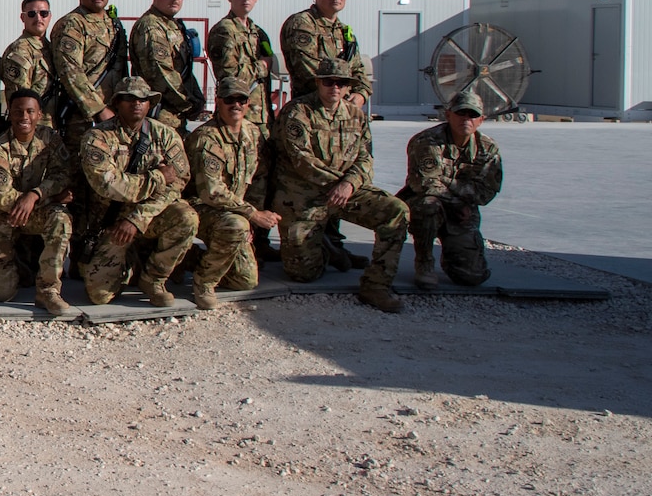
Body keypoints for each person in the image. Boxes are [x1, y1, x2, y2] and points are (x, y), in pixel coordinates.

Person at [273, 58, 410, 312]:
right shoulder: (298, 112)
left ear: (348, 87)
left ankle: (376, 285)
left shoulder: (356, 115)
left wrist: (348, 184)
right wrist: (339, 183)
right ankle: (326, 250)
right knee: (302, 272)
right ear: (318, 83)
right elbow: (302, 161)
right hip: (305, 195)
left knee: (395, 211)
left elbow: (365, 158)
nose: (334, 87)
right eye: (328, 81)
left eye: (341, 83)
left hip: (345, 191)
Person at [79, 77, 197, 307]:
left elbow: (179, 182)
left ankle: (153, 279)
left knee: (186, 217)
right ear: (117, 103)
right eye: (129, 99)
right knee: (99, 296)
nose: (137, 104)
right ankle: (131, 261)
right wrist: (159, 177)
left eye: (143, 99)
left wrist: (138, 218)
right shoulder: (97, 138)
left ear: (150, 104)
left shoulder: (166, 136)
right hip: (111, 223)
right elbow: (110, 186)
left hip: (147, 217)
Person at [0, 89, 75, 315]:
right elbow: (1, 198)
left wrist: (37, 195)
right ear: (9, 113)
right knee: (1, 294)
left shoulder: (50, 138)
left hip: (34, 210)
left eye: (30, 111)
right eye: (18, 111)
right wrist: (50, 197)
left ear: (40, 114)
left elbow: (63, 174)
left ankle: (48, 291)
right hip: (2, 218)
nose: (24, 117)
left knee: (61, 219)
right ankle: (21, 265)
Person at [185, 79, 279, 309]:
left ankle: (190, 259)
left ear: (248, 104)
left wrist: (251, 220)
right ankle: (204, 282)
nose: (235, 105)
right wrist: (251, 216)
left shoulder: (254, 134)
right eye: (229, 100)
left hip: (234, 211)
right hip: (198, 207)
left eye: (241, 100)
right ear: (218, 102)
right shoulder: (207, 137)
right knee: (236, 226)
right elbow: (211, 192)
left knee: (245, 280)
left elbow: (259, 181)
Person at [401, 88, 503, 288]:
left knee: (472, 277)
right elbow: (425, 184)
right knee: (428, 205)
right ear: (448, 115)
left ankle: (452, 256)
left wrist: (447, 181)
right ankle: (424, 262)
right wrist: (459, 200)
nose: (466, 118)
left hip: (463, 214)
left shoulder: (488, 150)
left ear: (481, 120)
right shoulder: (427, 141)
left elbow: (485, 193)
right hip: (425, 205)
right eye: (461, 112)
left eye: (472, 114)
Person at [206, 0, 280, 251]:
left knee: (260, 178)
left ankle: (259, 240)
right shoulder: (225, 30)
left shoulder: (257, 32)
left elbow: (269, 63)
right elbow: (230, 77)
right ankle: (240, 239)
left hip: (260, 118)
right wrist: (262, 67)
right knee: (239, 180)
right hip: (238, 117)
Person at [51, 0, 128, 152]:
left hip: (115, 114)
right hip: (82, 117)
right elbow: (70, 72)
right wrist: (99, 110)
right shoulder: (72, 24)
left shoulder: (113, 24)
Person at [130, 0, 206, 131]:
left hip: (173, 114)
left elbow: (184, 71)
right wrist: (188, 103)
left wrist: (196, 99)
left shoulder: (171, 25)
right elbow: (160, 74)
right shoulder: (151, 26)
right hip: (160, 115)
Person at [280, 0, 371, 104]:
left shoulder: (344, 31)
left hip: (341, 109)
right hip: (311, 108)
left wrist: (360, 93)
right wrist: (343, 93)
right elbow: (308, 70)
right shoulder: (302, 24)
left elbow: (357, 69)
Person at [0, 0, 58, 127]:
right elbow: (20, 103)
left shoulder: (52, 48)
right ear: (23, 18)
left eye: (44, 13)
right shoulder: (19, 51)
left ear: (50, 16)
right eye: (32, 14)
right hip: (31, 129)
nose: (38, 18)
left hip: (52, 127)